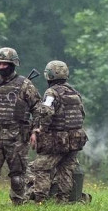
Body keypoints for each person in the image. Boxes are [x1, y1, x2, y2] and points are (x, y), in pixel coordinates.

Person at [0, 47, 41, 205]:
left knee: (18, 175)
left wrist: (35, 130)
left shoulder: (25, 84)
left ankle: (19, 203)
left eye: (5, 64)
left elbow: (38, 108)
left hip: (17, 137)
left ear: (13, 64)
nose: (1, 67)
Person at [30, 60, 88, 202]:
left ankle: (40, 200)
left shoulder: (51, 92)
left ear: (48, 75)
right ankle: (63, 199)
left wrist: (40, 129)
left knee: (42, 168)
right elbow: (82, 114)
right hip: (75, 139)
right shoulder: (75, 92)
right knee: (66, 169)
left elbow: (46, 112)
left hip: (57, 139)